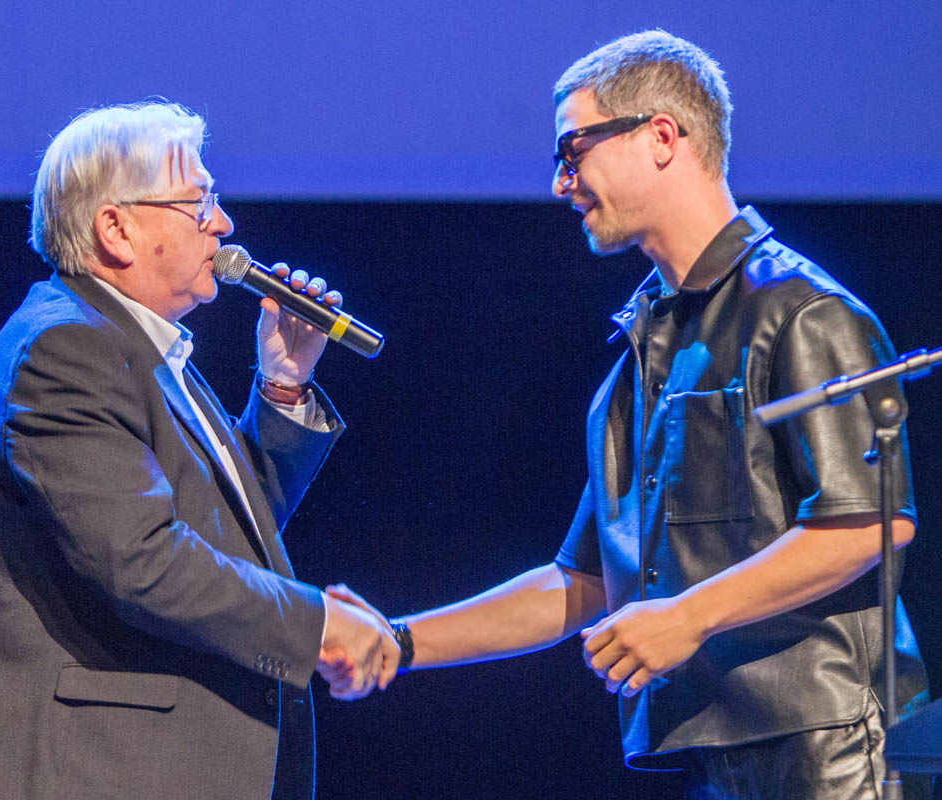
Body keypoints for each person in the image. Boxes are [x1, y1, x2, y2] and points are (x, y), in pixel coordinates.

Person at [323, 30, 929, 799]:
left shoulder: (799, 310)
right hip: (717, 756)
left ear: (661, 137)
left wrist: (686, 615)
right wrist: (399, 641)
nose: (560, 183)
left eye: (572, 151)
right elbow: (581, 581)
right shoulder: (641, 353)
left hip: (832, 750)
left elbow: (869, 522)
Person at [0, 100, 398, 800]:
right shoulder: (65, 350)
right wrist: (315, 625)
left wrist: (282, 386)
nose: (223, 224)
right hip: (100, 771)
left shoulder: (137, 349)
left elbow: (224, 533)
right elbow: (142, 561)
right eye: (199, 203)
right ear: (116, 228)